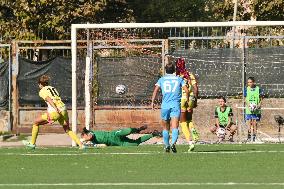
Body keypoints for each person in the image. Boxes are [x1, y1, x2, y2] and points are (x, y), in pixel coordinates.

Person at [23, 75, 84, 149]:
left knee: (36, 122)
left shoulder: (42, 91)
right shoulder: (53, 88)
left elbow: (49, 99)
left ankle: (32, 144)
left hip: (55, 110)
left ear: (40, 84)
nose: (38, 86)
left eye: (38, 84)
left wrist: (55, 109)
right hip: (63, 109)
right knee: (67, 129)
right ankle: (81, 145)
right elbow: (56, 98)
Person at [151, 62, 189, 153]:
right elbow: (187, 91)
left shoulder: (162, 79)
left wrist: (152, 101)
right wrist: (187, 101)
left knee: (165, 127)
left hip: (165, 105)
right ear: (174, 70)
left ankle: (167, 145)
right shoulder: (179, 79)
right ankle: (173, 144)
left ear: (165, 70)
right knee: (175, 126)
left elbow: (155, 90)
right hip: (175, 104)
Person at [175, 58, 199, 152]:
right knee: (189, 119)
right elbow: (196, 88)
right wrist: (195, 100)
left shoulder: (177, 76)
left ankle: (190, 141)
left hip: (182, 100)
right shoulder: (190, 74)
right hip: (191, 98)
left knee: (183, 122)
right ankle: (193, 131)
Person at [80, 125, 161, 146]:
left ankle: (138, 130)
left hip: (115, 134)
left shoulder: (91, 133)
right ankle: (153, 134)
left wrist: (82, 140)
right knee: (135, 144)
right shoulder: (92, 142)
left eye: (84, 136)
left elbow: (90, 135)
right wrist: (83, 141)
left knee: (128, 130)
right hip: (118, 143)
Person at [244, 77, 264, 142]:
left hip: (256, 109)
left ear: (253, 82)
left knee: (255, 123)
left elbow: (261, 98)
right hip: (249, 109)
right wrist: (249, 105)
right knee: (249, 122)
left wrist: (259, 105)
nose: (249, 83)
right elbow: (245, 99)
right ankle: (249, 137)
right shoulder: (246, 89)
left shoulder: (258, 89)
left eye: (250, 82)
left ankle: (255, 137)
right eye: (248, 82)